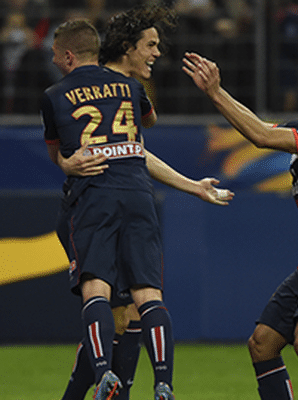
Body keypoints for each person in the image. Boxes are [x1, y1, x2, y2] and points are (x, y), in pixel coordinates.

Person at [41, 15, 233, 400]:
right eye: (151, 44)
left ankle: (106, 386)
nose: (157, 53)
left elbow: (132, 149)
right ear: (126, 48)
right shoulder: (129, 89)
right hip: (121, 197)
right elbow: (139, 140)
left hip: (96, 197)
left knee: (116, 311)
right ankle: (154, 383)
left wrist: (193, 186)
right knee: (132, 309)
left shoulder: (60, 93)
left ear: (66, 56)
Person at [183, 53, 298, 399]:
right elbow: (259, 129)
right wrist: (216, 92)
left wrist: (215, 92)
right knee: (262, 344)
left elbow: (261, 138)